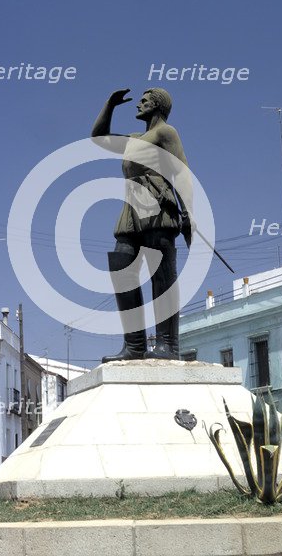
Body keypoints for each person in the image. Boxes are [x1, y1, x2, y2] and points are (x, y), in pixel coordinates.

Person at [91, 88, 194, 362]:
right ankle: (135, 345)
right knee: (121, 265)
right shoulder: (135, 139)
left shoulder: (166, 133)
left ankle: (168, 344)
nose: (139, 103)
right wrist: (109, 104)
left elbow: (182, 170)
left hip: (158, 204)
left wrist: (189, 213)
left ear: (158, 105)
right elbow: (99, 138)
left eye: (145, 100)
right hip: (132, 205)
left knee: (161, 274)